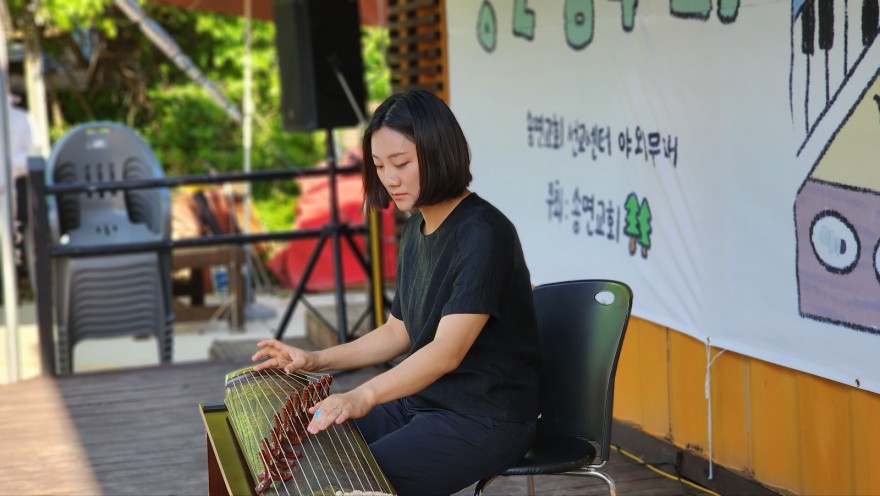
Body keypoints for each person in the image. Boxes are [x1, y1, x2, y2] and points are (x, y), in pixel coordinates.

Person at [252, 90, 540, 495]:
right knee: (307, 446)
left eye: (401, 163)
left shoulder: (484, 233)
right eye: (379, 165)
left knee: (353, 480)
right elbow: (396, 333)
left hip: (484, 416)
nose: (389, 178)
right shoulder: (415, 229)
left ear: (440, 153)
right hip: (420, 403)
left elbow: (447, 351)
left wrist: (363, 395)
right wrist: (314, 359)